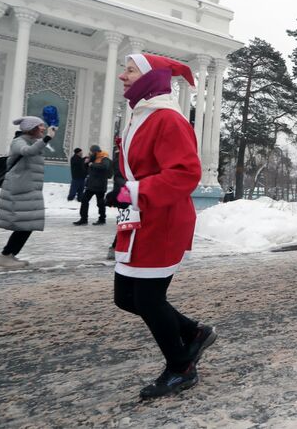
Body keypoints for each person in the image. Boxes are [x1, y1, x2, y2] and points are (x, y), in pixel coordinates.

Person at [110, 53, 215, 399]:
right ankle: (194, 333)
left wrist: (136, 190)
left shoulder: (168, 119)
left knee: (149, 299)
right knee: (125, 297)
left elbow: (186, 173)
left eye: (129, 71)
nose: (122, 76)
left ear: (150, 78)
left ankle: (181, 367)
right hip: (138, 219)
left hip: (163, 219)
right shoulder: (140, 115)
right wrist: (127, 191)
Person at [0, 116, 57, 269]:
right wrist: (47, 138)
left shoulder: (33, 142)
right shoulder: (19, 142)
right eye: (40, 126)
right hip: (19, 190)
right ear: (32, 128)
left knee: (28, 225)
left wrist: (44, 139)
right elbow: (27, 152)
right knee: (25, 225)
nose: (43, 128)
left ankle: (9, 255)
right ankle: (5, 256)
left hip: (28, 190)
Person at [73, 145, 112, 226]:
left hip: (100, 185)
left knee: (100, 203)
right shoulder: (93, 158)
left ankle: (102, 219)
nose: (90, 153)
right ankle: (83, 219)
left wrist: (92, 164)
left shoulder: (104, 158)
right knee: (84, 200)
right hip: (91, 184)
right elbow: (87, 169)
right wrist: (86, 163)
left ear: (96, 151)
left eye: (91, 151)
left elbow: (105, 167)